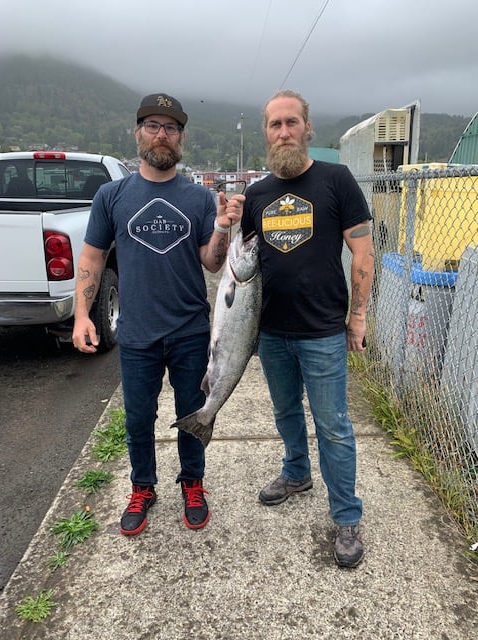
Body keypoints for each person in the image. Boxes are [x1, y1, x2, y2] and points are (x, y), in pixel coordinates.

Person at [72, 93, 244, 535]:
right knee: (137, 418)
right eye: (153, 126)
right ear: (137, 133)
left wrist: (223, 227)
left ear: (181, 138)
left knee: (195, 410)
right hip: (137, 333)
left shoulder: (199, 198)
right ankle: (142, 486)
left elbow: (211, 262)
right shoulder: (112, 196)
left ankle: (193, 482)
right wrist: (81, 314)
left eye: (171, 128)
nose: (162, 135)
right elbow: (91, 259)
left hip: (190, 329)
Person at [241, 89, 374, 568]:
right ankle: (296, 473)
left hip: (322, 332)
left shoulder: (336, 180)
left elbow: (362, 252)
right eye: (274, 124)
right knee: (284, 413)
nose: (283, 132)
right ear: (266, 133)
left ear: (307, 127)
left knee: (334, 427)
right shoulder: (256, 195)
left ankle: (346, 517)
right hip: (271, 333)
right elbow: (244, 266)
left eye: (291, 122)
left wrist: (357, 317)